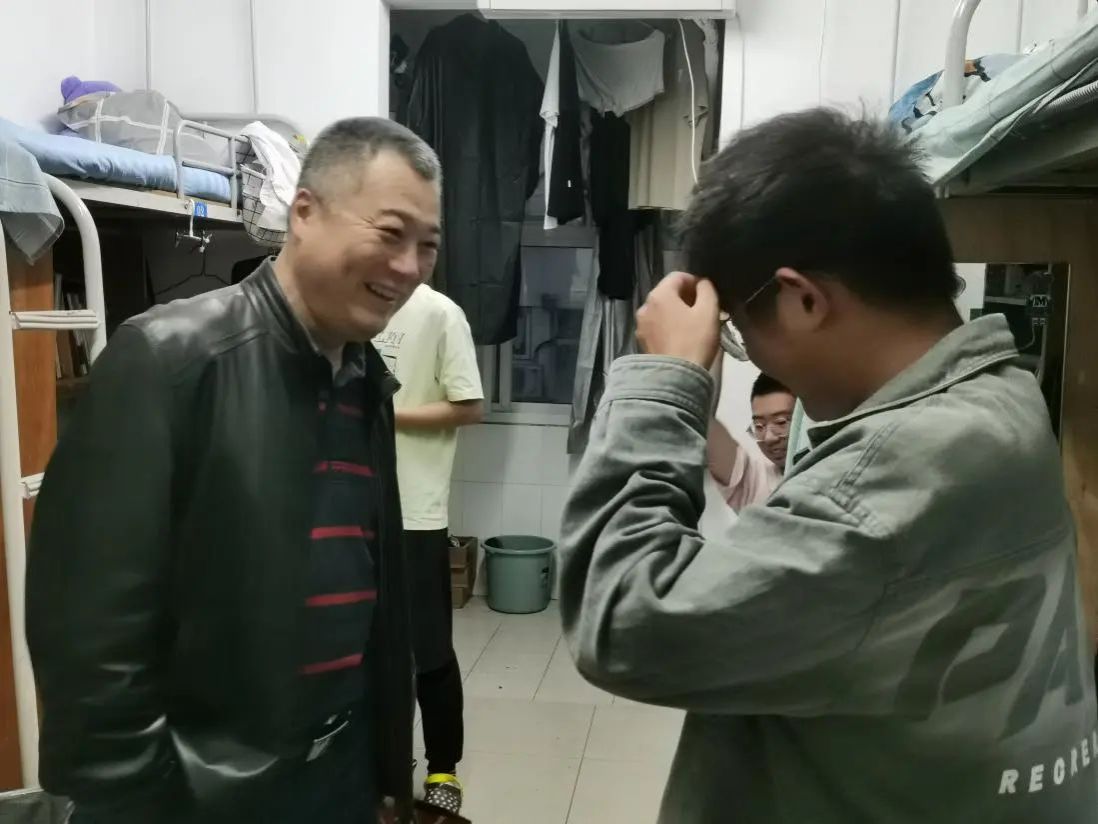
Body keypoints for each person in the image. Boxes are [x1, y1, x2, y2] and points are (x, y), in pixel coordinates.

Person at [559, 109, 1098, 823]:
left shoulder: (883, 483)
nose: (747, 353)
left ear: (803, 299)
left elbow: (623, 622)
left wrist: (666, 378)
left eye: (738, 332)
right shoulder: (1004, 393)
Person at [26, 117, 443, 824]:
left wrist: (382, 775)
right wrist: (139, 800)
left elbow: (376, 612)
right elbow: (90, 644)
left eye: (427, 245)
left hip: (338, 778)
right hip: (203, 796)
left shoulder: (366, 379)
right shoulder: (169, 361)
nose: (409, 267)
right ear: (303, 213)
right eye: (390, 232)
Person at [373, 283, 484, 814]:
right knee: (362, 650)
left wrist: (385, 418)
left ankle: (443, 767)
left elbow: (469, 406)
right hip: (347, 504)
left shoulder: (440, 313)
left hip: (414, 509)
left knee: (428, 647)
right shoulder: (344, 305)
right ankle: (382, 765)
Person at [706, 370, 793, 512]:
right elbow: (703, 416)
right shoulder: (754, 481)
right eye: (759, 426)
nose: (769, 438)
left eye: (781, 422)